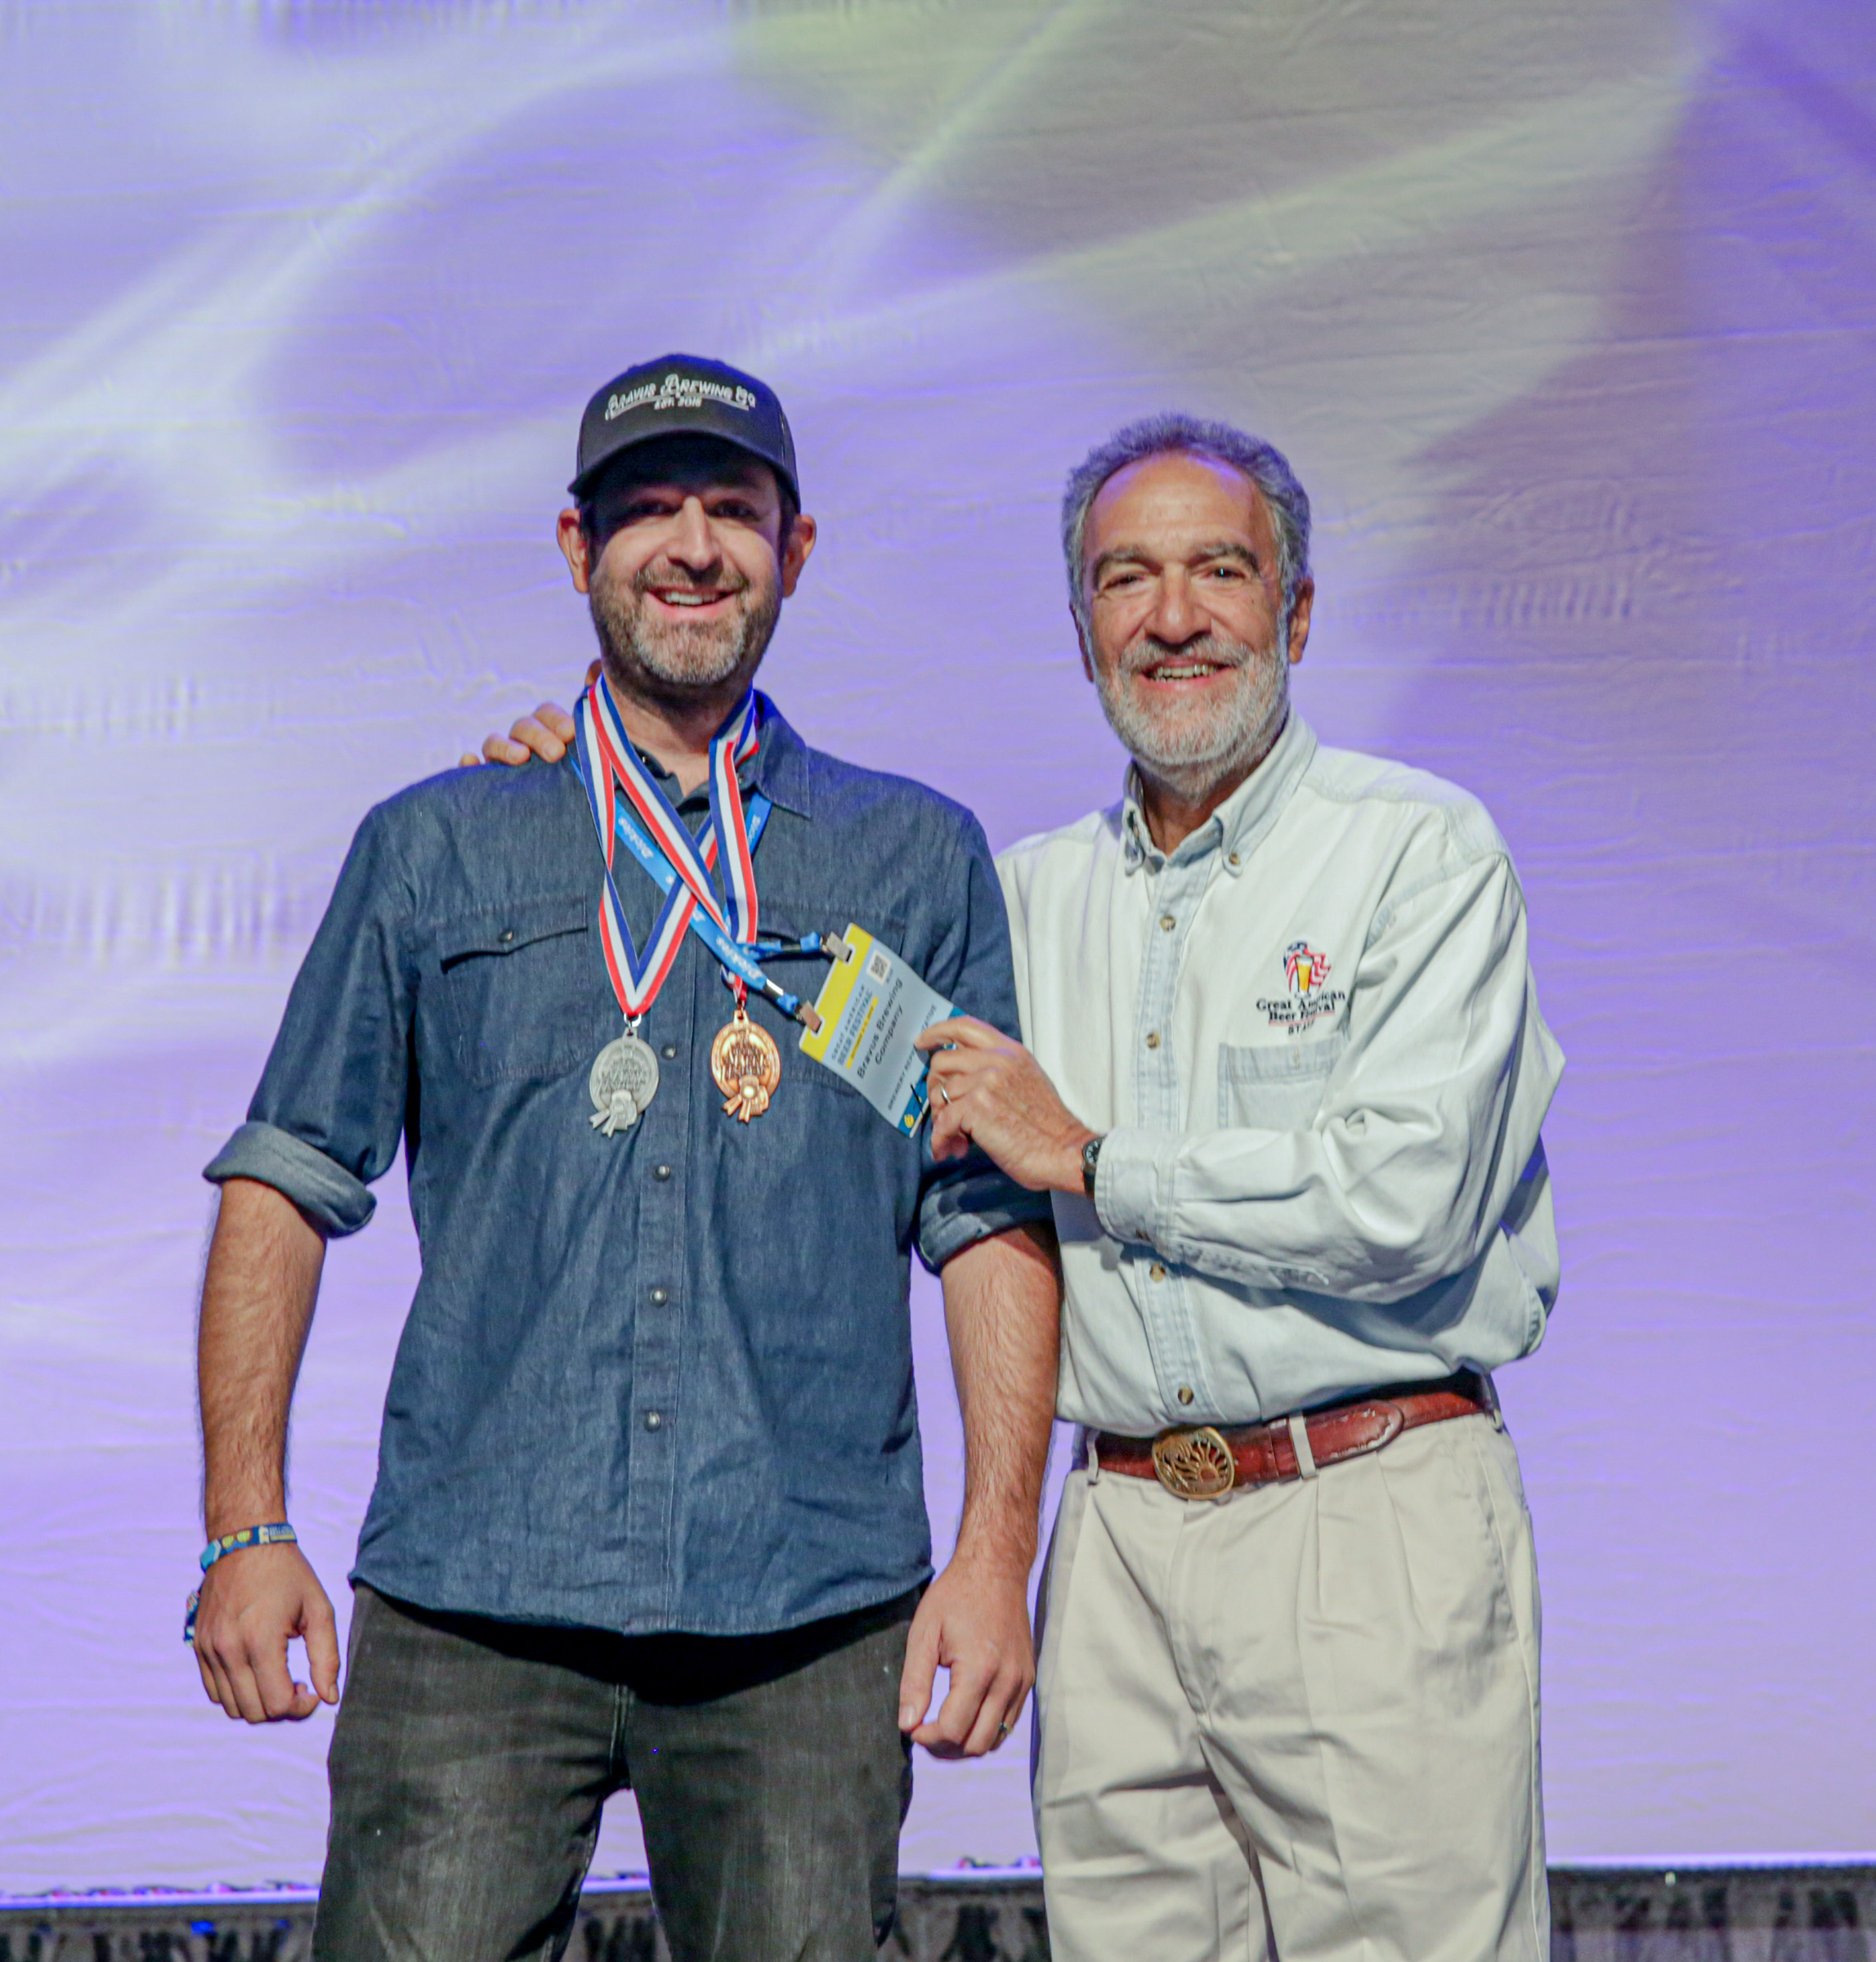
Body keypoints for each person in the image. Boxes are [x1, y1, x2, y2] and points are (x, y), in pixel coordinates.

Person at [481, 414, 1565, 1961]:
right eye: (1127, 580)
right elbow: (783, 1021)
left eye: (1220, 572)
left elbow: (1410, 1203)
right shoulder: (1020, 893)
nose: (1173, 617)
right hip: (1119, 1526)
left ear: (1298, 612)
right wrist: (576, 780)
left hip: (1366, 1500)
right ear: (1080, 632)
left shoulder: (1415, 853)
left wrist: (1096, 1162)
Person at [189, 353, 1059, 1962]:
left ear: (796, 555)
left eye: (734, 510)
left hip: (805, 1612)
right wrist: (248, 1529)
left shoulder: (909, 855)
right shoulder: (438, 843)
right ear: (576, 547)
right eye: (649, 509)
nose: (692, 545)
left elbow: (984, 1217)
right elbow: (283, 1181)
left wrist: (1000, 1558)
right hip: (475, 1599)